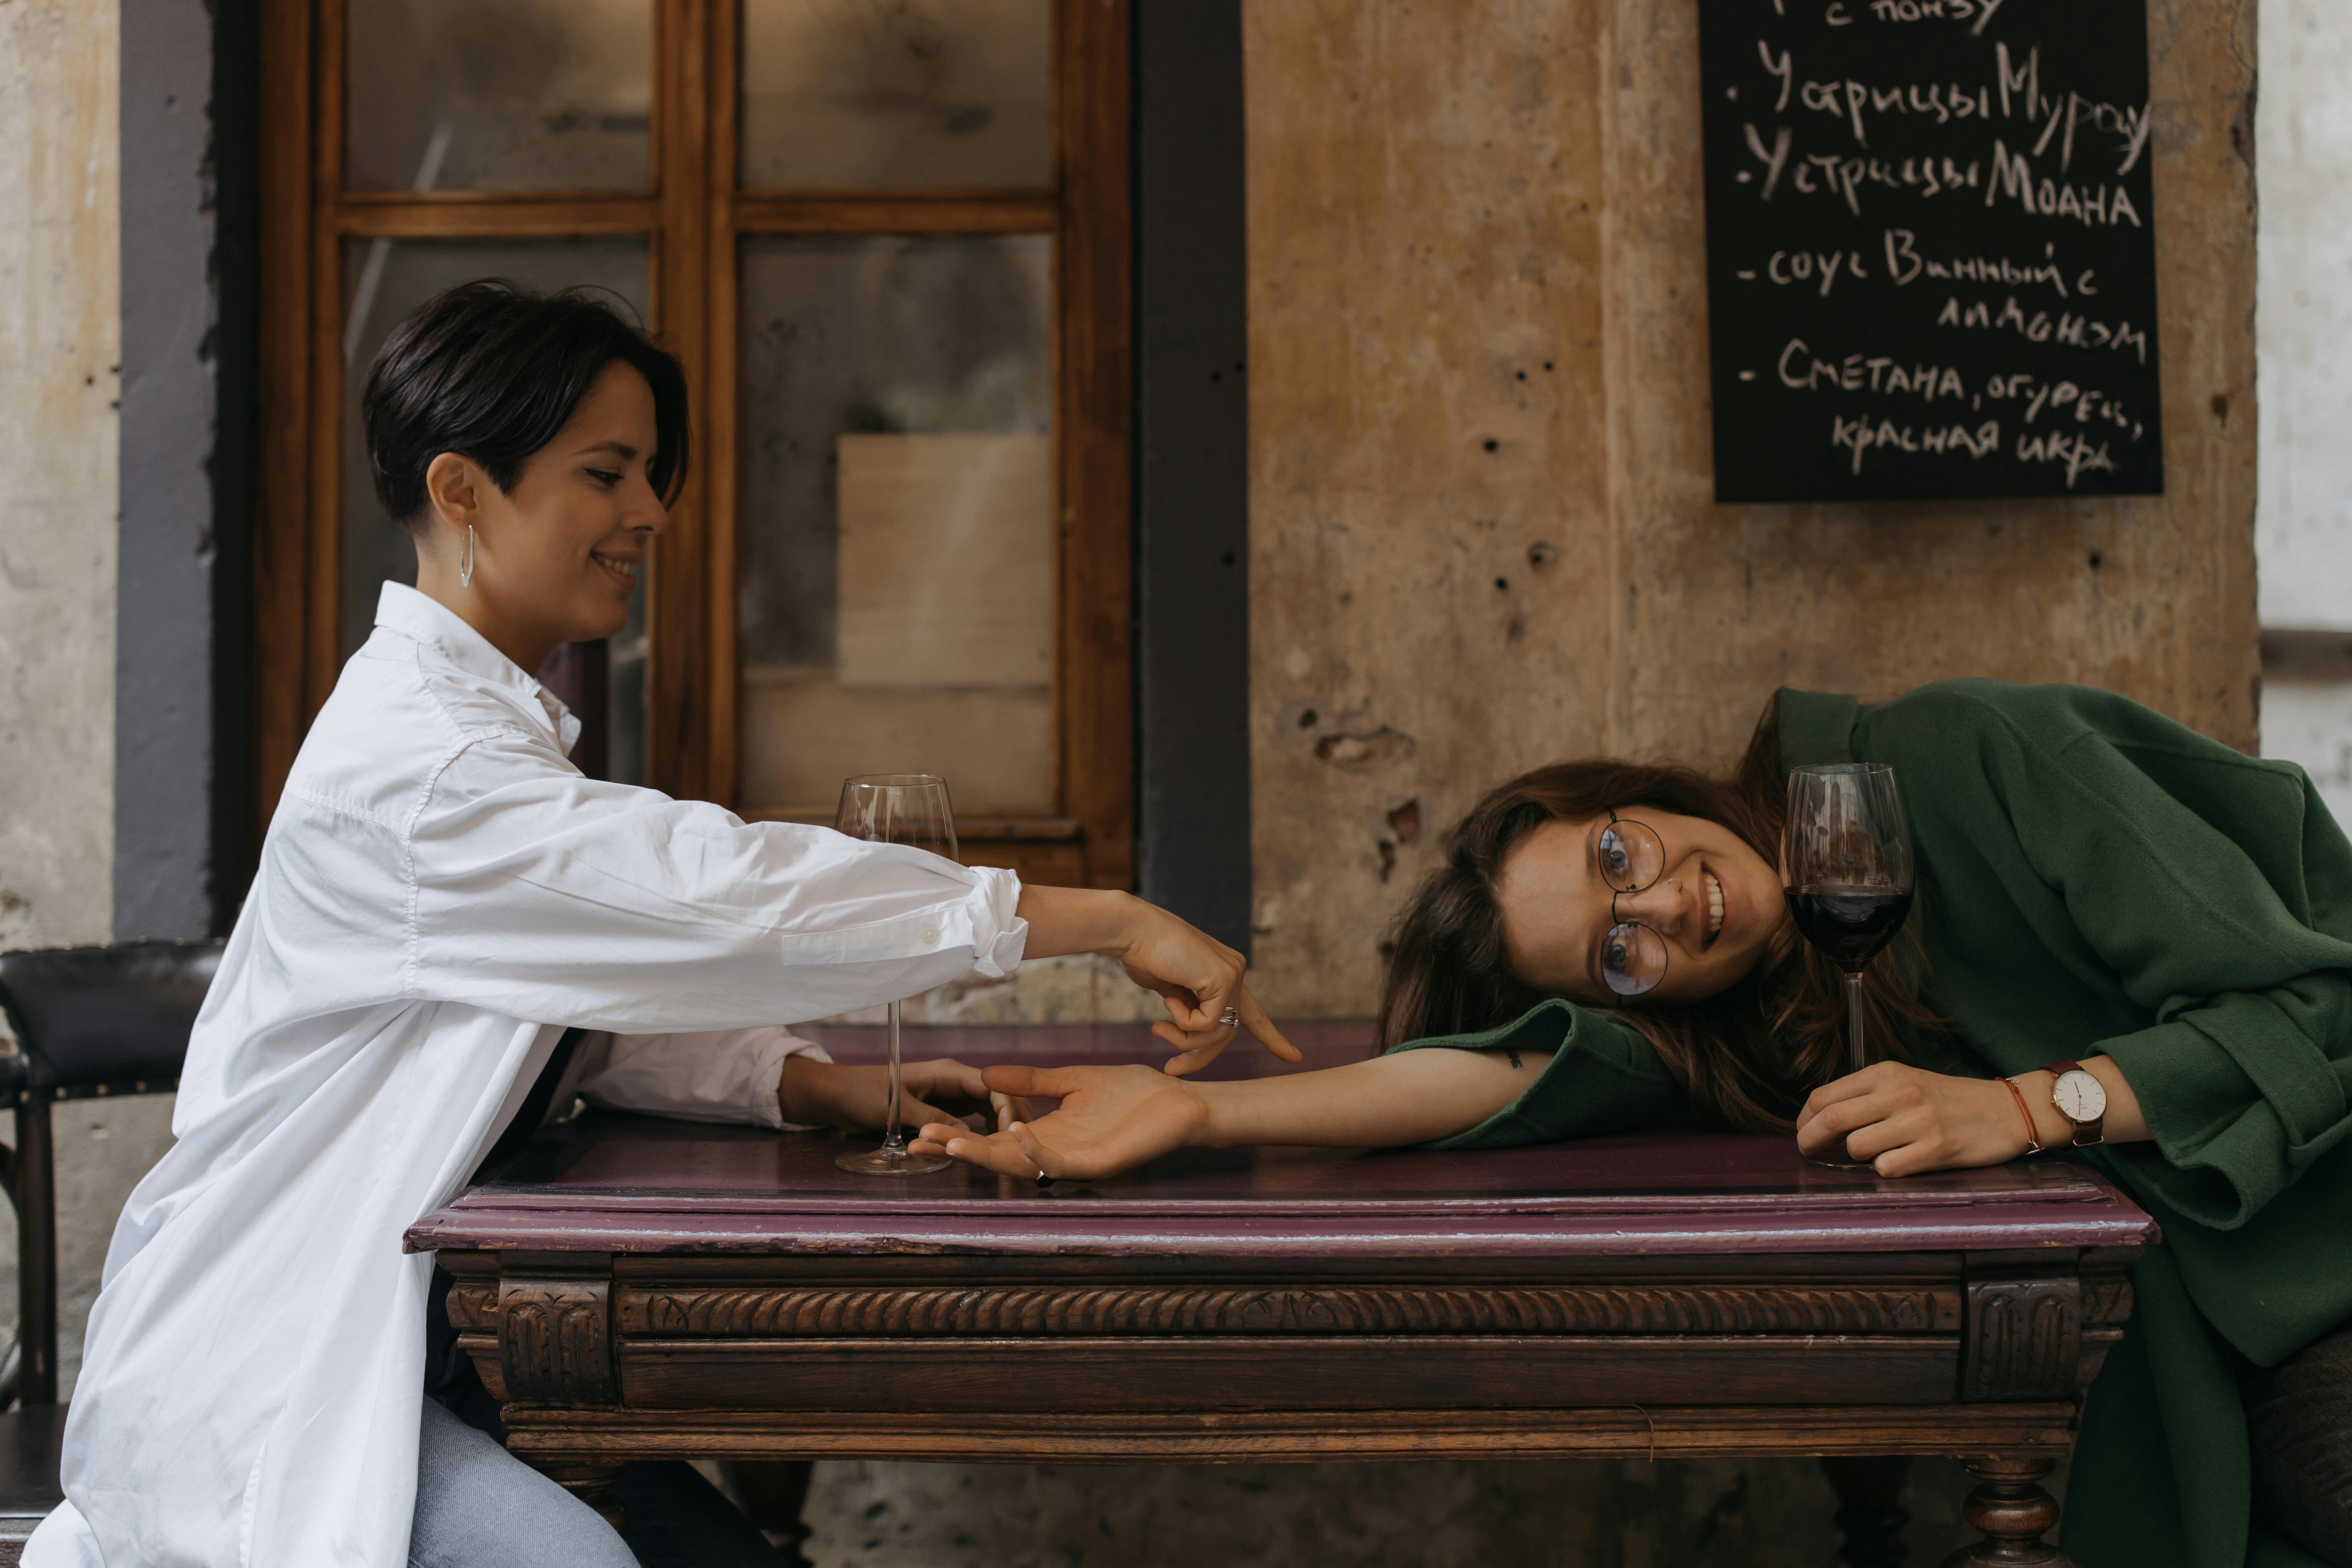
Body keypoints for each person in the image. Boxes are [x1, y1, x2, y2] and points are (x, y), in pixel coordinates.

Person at [26, 281, 1294, 1568]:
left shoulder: (477, 732)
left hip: (428, 1341)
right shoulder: (426, 771)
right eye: (606, 471)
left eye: (646, 472)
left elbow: (563, 1019)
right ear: (463, 491)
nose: (650, 511)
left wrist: (812, 1087)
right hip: (284, 1348)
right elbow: (725, 895)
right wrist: (1105, 916)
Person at [919, 679, 2352, 1568]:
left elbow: (2318, 1000)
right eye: (1616, 947)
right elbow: (1505, 1073)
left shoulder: (1965, 757)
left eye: (1619, 854)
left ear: (1633, 790)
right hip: (2225, 1326)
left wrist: (2037, 1103)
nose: (1667, 905)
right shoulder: (1770, 1021)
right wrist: (1194, 1114)